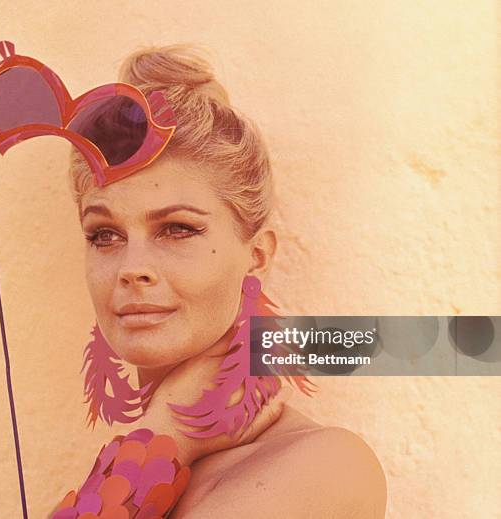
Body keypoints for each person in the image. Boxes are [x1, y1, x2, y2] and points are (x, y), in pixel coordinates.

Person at [54, 43, 387, 518]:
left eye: (177, 228)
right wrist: (166, 431)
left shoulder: (325, 467)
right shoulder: (149, 439)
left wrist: (162, 439)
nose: (132, 267)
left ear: (256, 255)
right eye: (104, 234)